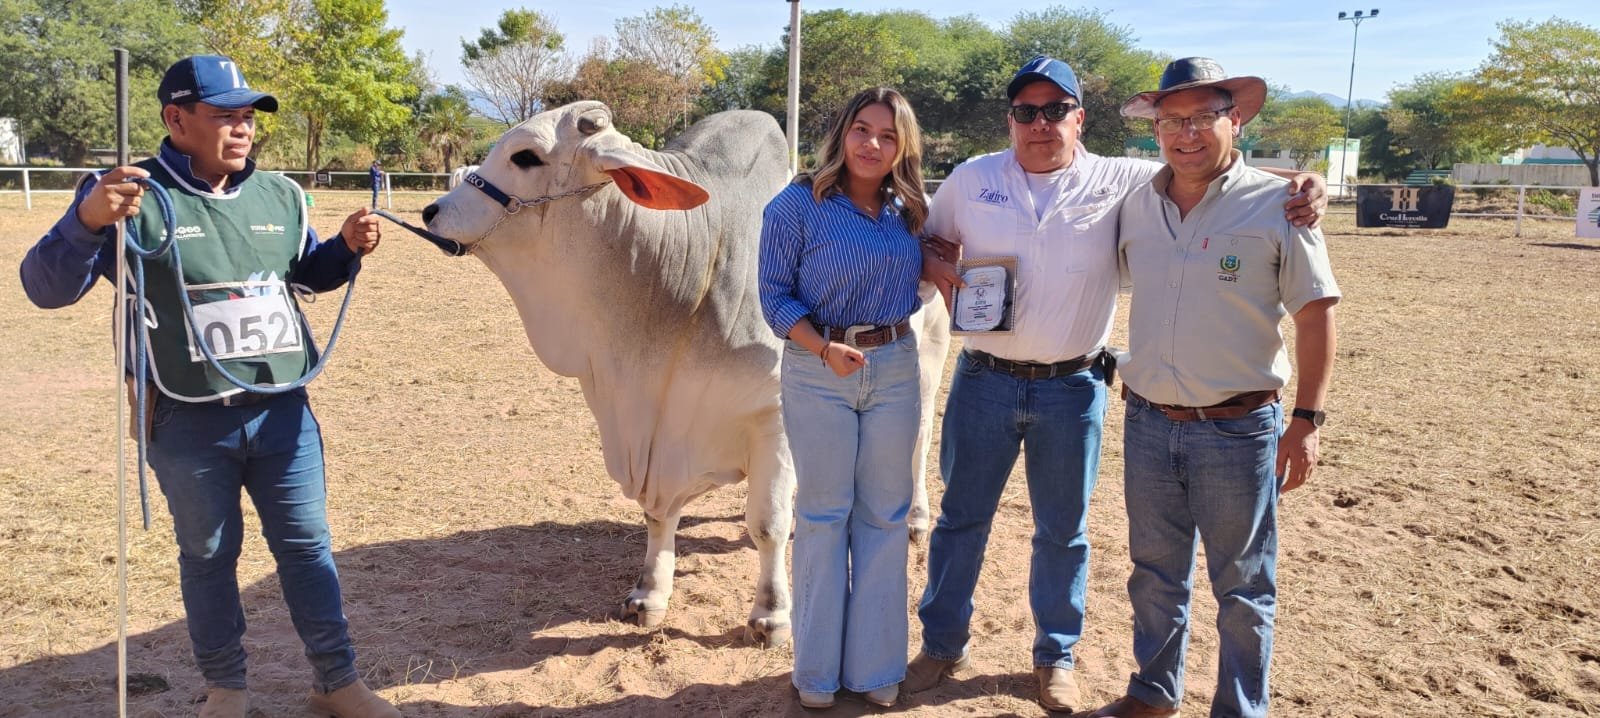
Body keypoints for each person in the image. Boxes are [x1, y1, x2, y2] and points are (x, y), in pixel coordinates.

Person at [910, 55, 1328, 714]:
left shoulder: (1119, 180)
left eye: (1055, 110)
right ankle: (941, 644)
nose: (1040, 123)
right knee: (960, 519)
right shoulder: (971, 178)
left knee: (1063, 531)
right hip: (984, 378)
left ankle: (1055, 656)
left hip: (1074, 387)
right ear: (1010, 119)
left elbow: (1210, 169)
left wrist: (1305, 181)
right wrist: (937, 261)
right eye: (1026, 111)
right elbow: (928, 238)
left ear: (1079, 118)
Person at [18, 55, 397, 718]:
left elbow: (301, 275)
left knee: (307, 547)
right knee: (208, 555)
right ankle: (227, 689)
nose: (243, 128)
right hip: (185, 420)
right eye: (225, 115)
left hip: (284, 414)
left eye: (247, 116)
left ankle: (337, 682)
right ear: (176, 119)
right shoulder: (127, 196)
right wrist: (87, 220)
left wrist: (342, 248)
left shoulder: (280, 196)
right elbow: (43, 288)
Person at [1078, 57, 1341, 718]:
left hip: (1238, 429)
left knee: (1244, 587)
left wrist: (1306, 420)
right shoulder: (1136, 203)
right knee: (1153, 574)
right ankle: (1153, 693)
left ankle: (1239, 709)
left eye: (1203, 117)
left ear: (1236, 120)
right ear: (1156, 130)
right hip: (1148, 422)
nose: (1186, 133)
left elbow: (1316, 314)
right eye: (1172, 121)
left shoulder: (1280, 206)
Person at [758, 87, 929, 710]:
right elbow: (773, 295)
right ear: (842, 132)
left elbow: (920, 269)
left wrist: (939, 264)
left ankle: (876, 668)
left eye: (888, 135)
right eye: (862, 129)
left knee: (885, 514)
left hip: (895, 364)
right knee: (825, 514)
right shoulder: (797, 203)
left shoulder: (909, 208)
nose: (872, 144)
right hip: (817, 367)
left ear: (903, 146)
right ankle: (817, 675)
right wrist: (821, 347)